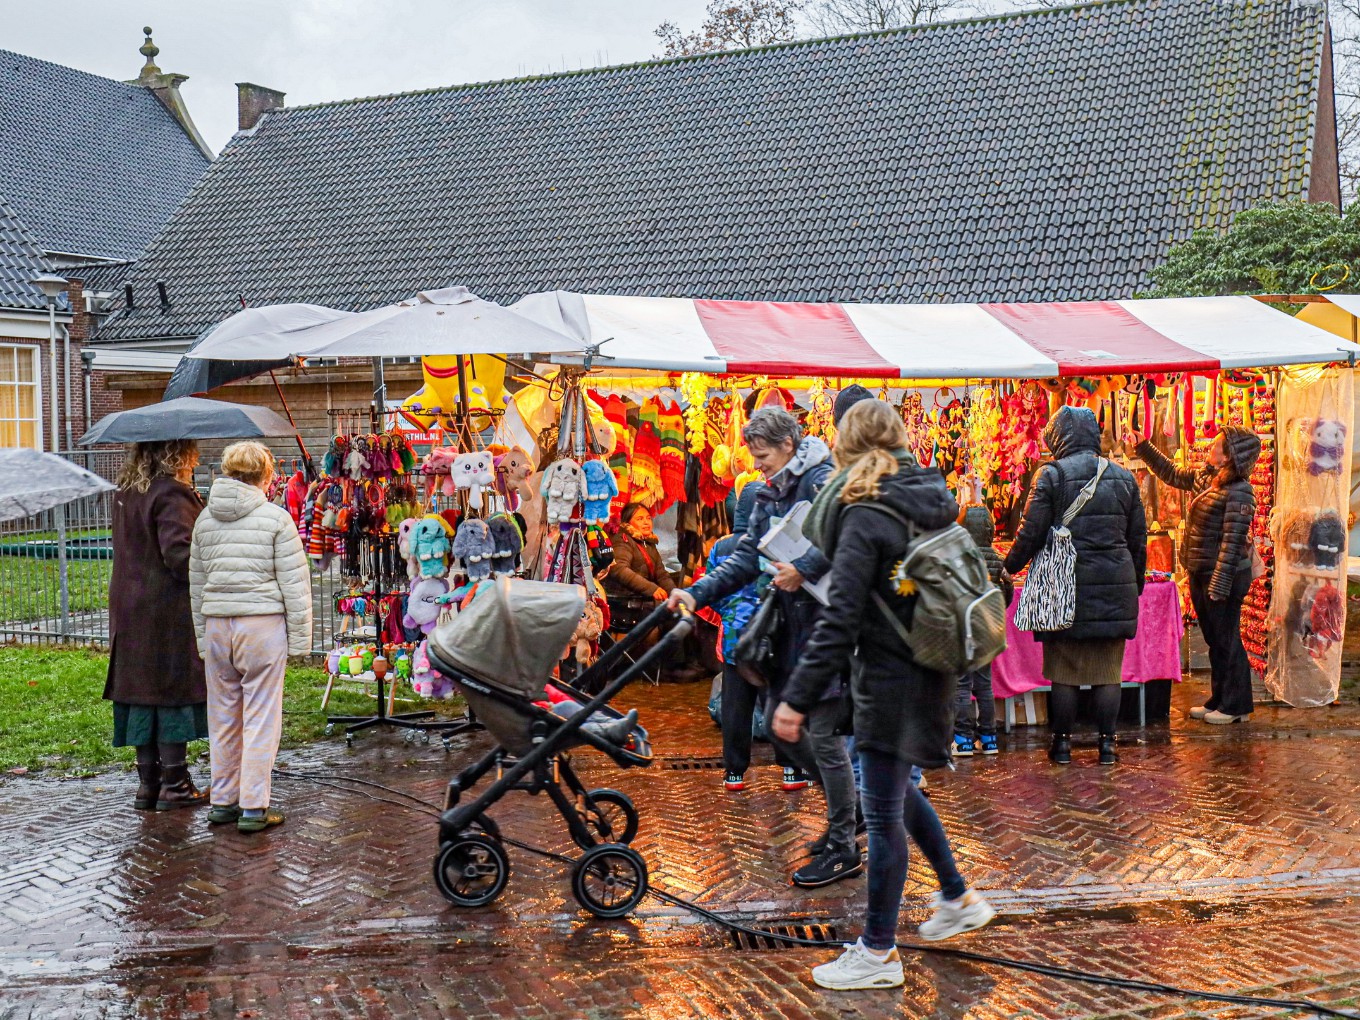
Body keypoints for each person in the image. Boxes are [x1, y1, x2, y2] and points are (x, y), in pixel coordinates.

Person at [774, 400, 994, 991]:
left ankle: (876, 953)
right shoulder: (927, 497)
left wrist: (796, 697)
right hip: (932, 666)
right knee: (897, 793)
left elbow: (841, 614)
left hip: (891, 677)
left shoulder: (865, 511)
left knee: (882, 812)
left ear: (846, 445)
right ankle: (956, 896)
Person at [668, 407, 854, 887]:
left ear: (789, 445)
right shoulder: (772, 489)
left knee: (824, 732)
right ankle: (845, 822)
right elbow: (749, 554)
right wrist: (698, 590)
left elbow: (849, 538)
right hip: (792, 625)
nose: (758, 466)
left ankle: (845, 840)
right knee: (784, 725)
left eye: (764, 456)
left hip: (825, 625)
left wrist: (805, 567)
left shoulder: (822, 480)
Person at [1004, 406, 1147, 766]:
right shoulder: (1124, 478)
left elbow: (1030, 533)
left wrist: (1006, 567)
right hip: (1115, 585)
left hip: (1062, 588)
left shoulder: (1050, 475)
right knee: (1107, 672)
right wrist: (1135, 584)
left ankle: (1063, 745)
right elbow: (1138, 541)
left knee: (1063, 672)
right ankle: (1107, 746)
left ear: (1059, 438)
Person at [190, 442, 312, 834]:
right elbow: (295, 586)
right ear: (265, 474)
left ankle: (223, 800)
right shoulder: (276, 519)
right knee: (261, 716)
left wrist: (199, 636)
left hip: (216, 625)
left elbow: (196, 584)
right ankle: (254, 806)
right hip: (261, 626)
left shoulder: (204, 521)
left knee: (222, 715)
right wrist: (300, 642)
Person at [105, 439, 210, 812]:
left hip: (129, 606)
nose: (196, 460)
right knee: (168, 693)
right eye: (192, 454)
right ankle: (176, 786)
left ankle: (148, 786)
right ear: (177, 454)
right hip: (163, 609)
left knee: (141, 695)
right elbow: (179, 554)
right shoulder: (171, 494)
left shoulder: (127, 492)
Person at [1130, 426, 1260, 724]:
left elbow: (1232, 544)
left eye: (1217, 445)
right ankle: (1219, 700)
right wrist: (1143, 446)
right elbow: (1172, 473)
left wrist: (1219, 585)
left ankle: (1235, 706)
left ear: (1230, 456)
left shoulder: (1241, 491)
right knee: (1216, 639)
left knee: (1227, 639)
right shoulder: (1208, 478)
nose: (1211, 447)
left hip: (1223, 575)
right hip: (1202, 570)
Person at [707, 479, 786, 791]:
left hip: (735, 642)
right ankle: (791, 770)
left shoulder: (723, 547)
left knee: (736, 709)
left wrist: (730, 612)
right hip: (772, 639)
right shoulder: (777, 543)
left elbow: (713, 588)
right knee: (776, 705)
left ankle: (734, 773)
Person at [954, 506, 1014, 756]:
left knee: (962, 686)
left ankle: (963, 739)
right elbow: (1008, 589)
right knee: (984, 685)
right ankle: (989, 738)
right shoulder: (997, 559)